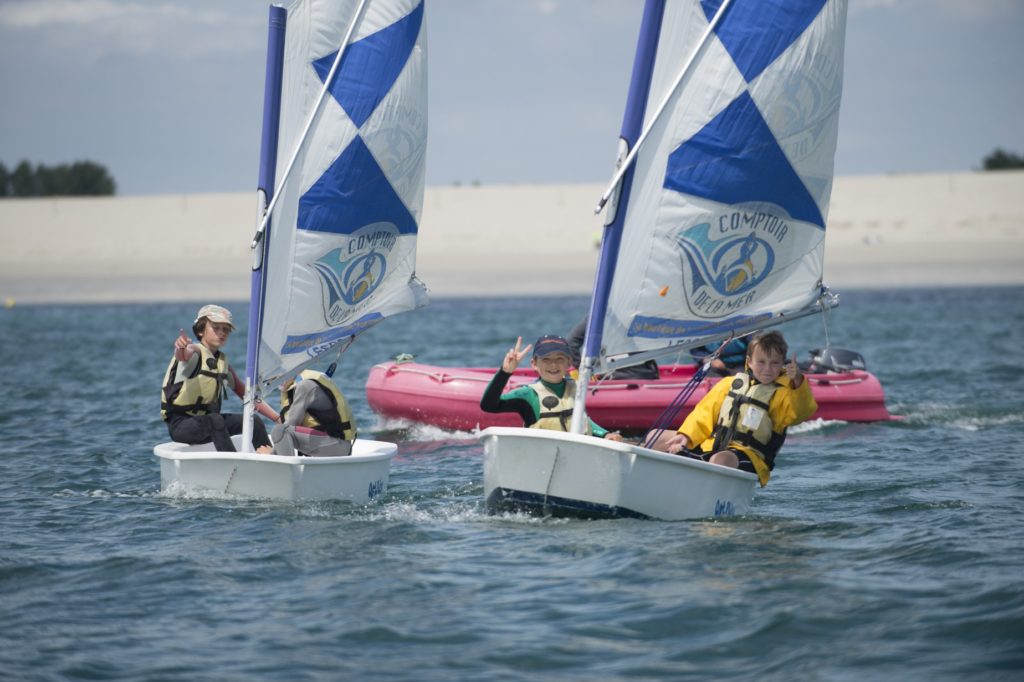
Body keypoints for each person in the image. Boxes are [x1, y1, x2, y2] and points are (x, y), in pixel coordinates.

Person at [649, 330, 817, 487]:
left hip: (749, 457)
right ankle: (651, 482)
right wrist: (685, 436)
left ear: (782, 364)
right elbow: (703, 414)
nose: (767, 369)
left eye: (774, 363)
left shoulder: (783, 394)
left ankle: (705, 496)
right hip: (713, 446)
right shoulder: (729, 384)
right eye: (761, 362)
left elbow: (798, 413)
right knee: (655, 437)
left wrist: (797, 382)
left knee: (721, 459)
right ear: (749, 362)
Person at [160, 304, 279, 452]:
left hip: (208, 424)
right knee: (215, 420)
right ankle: (234, 465)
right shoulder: (194, 352)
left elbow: (248, 396)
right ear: (201, 330)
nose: (222, 333)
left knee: (253, 420)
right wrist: (181, 347)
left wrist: (277, 419)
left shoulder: (222, 364)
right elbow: (184, 355)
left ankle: (268, 459)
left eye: (226, 329)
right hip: (181, 425)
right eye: (216, 328)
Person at [480, 335, 623, 440]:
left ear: (569, 363)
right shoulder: (528, 394)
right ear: (534, 364)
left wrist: (605, 434)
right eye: (546, 359)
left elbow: (584, 421)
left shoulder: (576, 388)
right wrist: (505, 373)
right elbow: (488, 406)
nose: (553, 365)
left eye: (559, 359)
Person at [271, 368, 357, 457]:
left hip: (337, 445)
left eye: (277, 377)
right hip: (324, 442)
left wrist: (270, 455)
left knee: (279, 431)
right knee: (280, 431)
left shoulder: (305, 386)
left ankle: (286, 469)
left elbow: (291, 423)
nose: (276, 381)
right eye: (272, 379)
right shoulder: (291, 388)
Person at [566, 316, 659, 380]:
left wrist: (585, 371)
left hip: (616, 377)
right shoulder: (639, 315)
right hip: (648, 375)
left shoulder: (598, 317)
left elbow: (570, 344)